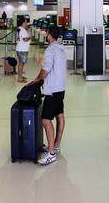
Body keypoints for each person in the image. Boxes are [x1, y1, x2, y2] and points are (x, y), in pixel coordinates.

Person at [28, 26, 66, 165]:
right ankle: (56, 145)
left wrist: (36, 80)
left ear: (49, 35)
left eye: (46, 33)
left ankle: (51, 153)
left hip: (52, 89)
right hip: (61, 87)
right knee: (60, 115)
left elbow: (45, 70)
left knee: (45, 120)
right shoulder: (61, 49)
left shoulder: (51, 50)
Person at [15, 18, 31, 83]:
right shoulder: (23, 30)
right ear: (23, 23)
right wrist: (30, 37)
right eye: (26, 22)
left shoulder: (19, 29)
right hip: (22, 49)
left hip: (20, 49)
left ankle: (20, 76)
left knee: (21, 63)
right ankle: (19, 78)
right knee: (21, 64)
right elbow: (25, 39)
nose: (27, 23)